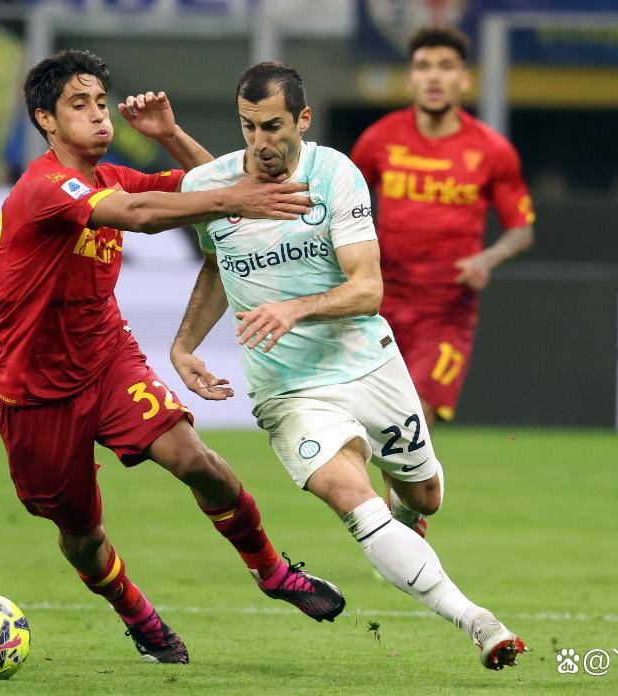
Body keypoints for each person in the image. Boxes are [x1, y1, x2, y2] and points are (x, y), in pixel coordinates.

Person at [0, 49, 345, 666]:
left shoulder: (111, 176)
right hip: (35, 393)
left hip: (107, 359)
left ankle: (272, 572)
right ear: (46, 120)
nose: (99, 115)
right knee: (82, 535)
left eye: (102, 103)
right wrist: (237, 201)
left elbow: (213, 184)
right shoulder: (44, 188)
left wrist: (172, 136)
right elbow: (141, 215)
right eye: (79, 105)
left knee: (198, 461)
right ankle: (139, 617)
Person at [172, 61, 526, 671]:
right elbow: (216, 265)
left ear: (302, 120)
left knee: (425, 496)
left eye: (273, 126)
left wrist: (294, 309)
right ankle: (478, 621)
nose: (259, 142)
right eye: (248, 126)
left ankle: (406, 518)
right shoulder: (207, 185)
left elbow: (367, 288)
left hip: (365, 363)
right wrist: (183, 346)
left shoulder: (335, 172)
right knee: (352, 499)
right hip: (288, 390)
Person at [350, 26, 534, 430]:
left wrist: (487, 259)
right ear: (411, 78)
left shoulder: (492, 150)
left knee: (415, 414)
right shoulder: (378, 140)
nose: (434, 76)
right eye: (423, 66)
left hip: (446, 310)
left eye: (446, 66)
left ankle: (400, 475)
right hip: (376, 302)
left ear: (464, 79)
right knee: (361, 417)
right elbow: (341, 207)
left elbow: (521, 229)